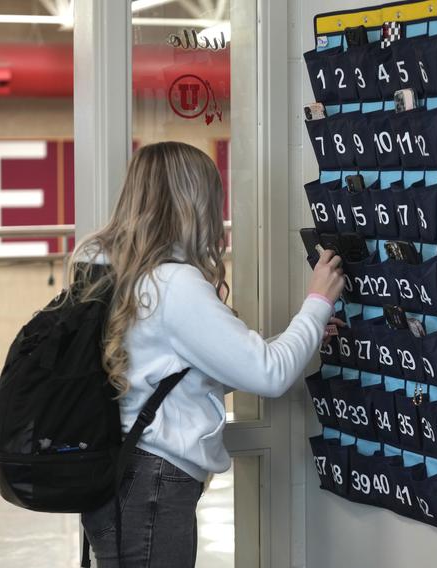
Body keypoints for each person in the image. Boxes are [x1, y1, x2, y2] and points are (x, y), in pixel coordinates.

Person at [69, 141, 344, 567]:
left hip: (117, 475)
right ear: (192, 202)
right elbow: (267, 375)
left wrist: (305, 336)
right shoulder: (175, 285)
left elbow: (184, 370)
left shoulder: (110, 269)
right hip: (152, 486)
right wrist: (317, 301)